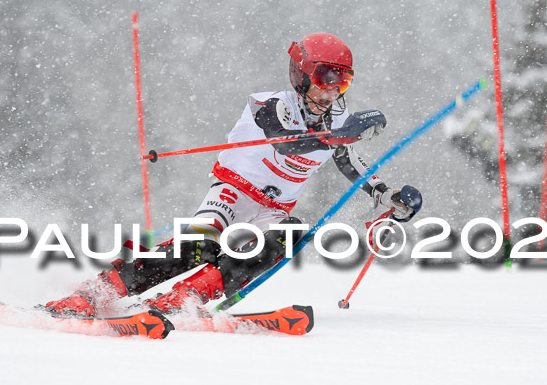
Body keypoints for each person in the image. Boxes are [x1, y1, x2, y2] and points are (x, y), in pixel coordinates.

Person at [44, 32, 420, 317]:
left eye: (344, 80)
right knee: (200, 245)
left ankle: (183, 300)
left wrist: (387, 195)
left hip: (272, 209)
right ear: (302, 74)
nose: (332, 89)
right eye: (325, 76)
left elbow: (349, 160)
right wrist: (339, 134)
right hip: (233, 194)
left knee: (290, 233)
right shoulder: (270, 104)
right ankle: (95, 294)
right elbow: (287, 142)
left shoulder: (336, 119)